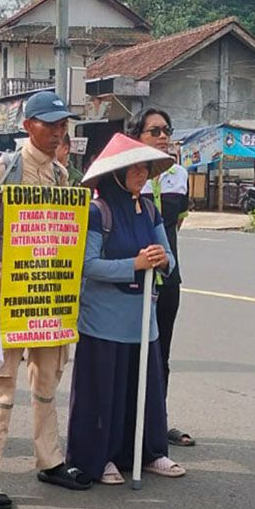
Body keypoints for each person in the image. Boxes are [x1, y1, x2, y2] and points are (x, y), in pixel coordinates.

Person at [0, 90, 89, 509]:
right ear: (28, 126)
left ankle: (50, 459)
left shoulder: (61, 175)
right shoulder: (2, 170)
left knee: (47, 380)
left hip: (49, 295)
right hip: (9, 296)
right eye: (51, 122)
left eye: (63, 123)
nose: (60, 129)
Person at [66, 134, 185, 485]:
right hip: (104, 320)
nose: (141, 174)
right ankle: (99, 457)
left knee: (143, 390)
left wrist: (163, 260)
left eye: (145, 167)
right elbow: (88, 265)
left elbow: (169, 259)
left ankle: (148, 452)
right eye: (133, 168)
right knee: (104, 393)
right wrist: (134, 263)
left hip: (142, 319)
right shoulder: (96, 211)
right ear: (116, 174)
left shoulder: (149, 209)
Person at [129, 108, 195, 448]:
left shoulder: (178, 175)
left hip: (167, 276)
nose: (163, 136)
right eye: (154, 131)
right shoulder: (123, 171)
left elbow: (175, 222)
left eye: (166, 130)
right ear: (137, 135)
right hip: (132, 276)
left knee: (161, 353)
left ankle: (157, 420)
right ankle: (128, 422)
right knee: (130, 352)